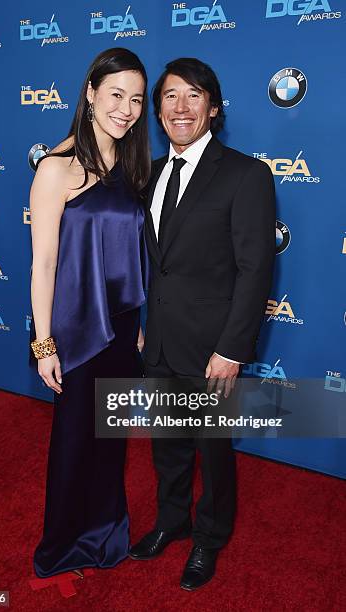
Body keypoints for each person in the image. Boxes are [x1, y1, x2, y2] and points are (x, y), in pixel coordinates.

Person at [129, 58, 276, 591]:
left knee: (212, 450)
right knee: (166, 442)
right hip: (161, 340)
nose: (181, 108)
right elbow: (151, 261)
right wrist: (140, 324)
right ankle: (172, 520)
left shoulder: (245, 174)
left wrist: (232, 349)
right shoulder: (148, 173)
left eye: (194, 97)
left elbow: (255, 267)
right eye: (170, 97)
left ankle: (209, 538)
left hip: (213, 345)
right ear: (158, 111)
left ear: (213, 109)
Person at [29, 47, 150, 578]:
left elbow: (136, 254)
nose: (126, 109)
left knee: (111, 438)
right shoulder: (57, 169)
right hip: (76, 330)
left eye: (136, 100)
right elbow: (44, 265)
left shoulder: (135, 167)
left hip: (122, 327)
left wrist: (140, 325)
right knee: (74, 440)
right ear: (91, 92)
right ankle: (60, 546)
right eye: (116, 94)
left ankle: (106, 535)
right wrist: (43, 343)